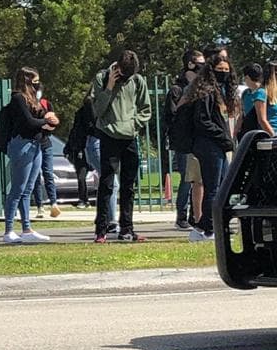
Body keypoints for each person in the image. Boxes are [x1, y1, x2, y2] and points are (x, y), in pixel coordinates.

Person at [91, 50, 152, 244]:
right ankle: (101, 230)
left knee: (128, 185)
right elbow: (98, 110)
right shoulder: (102, 77)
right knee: (107, 184)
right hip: (109, 135)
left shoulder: (137, 81)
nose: (126, 78)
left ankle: (127, 228)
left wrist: (134, 124)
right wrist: (109, 86)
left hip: (130, 136)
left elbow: (145, 109)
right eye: (124, 75)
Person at [181, 54, 236, 242]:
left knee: (223, 186)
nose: (224, 73)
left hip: (218, 144)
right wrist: (222, 137)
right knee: (213, 188)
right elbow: (202, 121)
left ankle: (205, 225)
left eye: (227, 70)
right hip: (208, 144)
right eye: (220, 70)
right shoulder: (206, 91)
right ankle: (208, 229)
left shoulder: (220, 91)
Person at [2, 67, 57, 244]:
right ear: (26, 81)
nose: (37, 84)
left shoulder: (34, 99)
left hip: (36, 144)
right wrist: (45, 121)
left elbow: (40, 118)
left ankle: (27, 228)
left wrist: (50, 118)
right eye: (34, 81)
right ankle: (8, 230)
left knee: (28, 189)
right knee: (17, 189)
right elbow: (29, 122)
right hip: (22, 145)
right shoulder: (18, 98)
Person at [164, 50, 205, 230]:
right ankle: (181, 215)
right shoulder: (177, 89)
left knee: (199, 180)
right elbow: (170, 117)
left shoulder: (202, 87)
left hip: (199, 139)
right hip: (183, 141)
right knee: (186, 179)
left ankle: (195, 215)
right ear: (190, 64)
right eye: (200, 62)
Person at [31, 88, 61, 219]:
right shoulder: (28, 105)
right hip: (33, 143)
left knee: (48, 173)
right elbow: (30, 124)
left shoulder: (46, 104)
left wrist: (44, 124)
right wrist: (42, 124)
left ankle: (54, 203)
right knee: (36, 176)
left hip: (45, 142)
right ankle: (40, 206)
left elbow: (52, 124)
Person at [63, 97, 94, 209]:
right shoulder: (81, 116)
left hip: (87, 147)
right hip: (81, 149)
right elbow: (75, 132)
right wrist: (69, 147)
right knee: (81, 176)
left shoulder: (94, 116)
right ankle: (83, 199)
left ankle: (84, 199)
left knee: (83, 175)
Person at [235, 63, 275, 139]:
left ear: (247, 77)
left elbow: (262, 120)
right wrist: (235, 132)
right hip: (250, 134)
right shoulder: (245, 93)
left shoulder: (261, 93)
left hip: (262, 134)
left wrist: (273, 136)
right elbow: (242, 115)